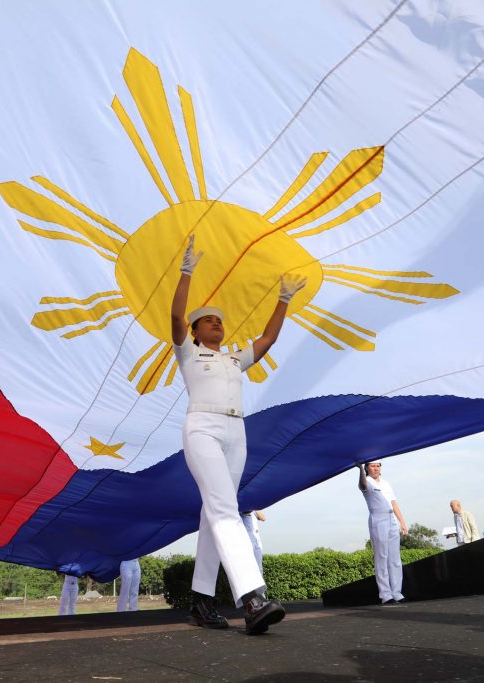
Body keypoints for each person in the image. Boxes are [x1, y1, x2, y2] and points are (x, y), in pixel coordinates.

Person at [171, 234, 305, 635]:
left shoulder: (232, 358)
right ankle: (253, 598)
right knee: (225, 510)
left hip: (236, 431)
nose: (217, 322)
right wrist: (186, 272)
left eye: (219, 320)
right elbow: (176, 318)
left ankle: (201, 603)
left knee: (215, 512)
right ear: (196, 331)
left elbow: (268, 339)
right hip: (203, 428)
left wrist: (284, 298)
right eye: (209, 320)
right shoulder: (190, 352)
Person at [357, 460, 408, 605]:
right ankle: (386, 595)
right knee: (382, 557)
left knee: (395, 558)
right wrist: (360, 469)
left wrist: (402, 522)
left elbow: (394, 502)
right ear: (367, 468)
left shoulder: (386, 483)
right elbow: (362, 485)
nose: (376, 468)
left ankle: (397, 592)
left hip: (391, 518)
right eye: (372, 466)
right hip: (378, 519)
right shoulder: (366, 481)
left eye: (378, 466)